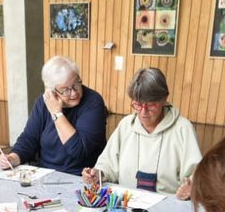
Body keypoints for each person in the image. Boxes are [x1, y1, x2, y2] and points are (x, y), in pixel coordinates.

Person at [81, 67, 201, 198]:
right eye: (138, 105)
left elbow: (196, 175)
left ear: (164, 100)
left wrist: (191, 187)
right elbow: (108, 163)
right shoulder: (126, 125)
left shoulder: (183, 129)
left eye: (150, 105)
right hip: (126, 201)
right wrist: (98, 173)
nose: (143, 112)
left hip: (168, 202)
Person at [0, 56, 107, 175]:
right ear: (52, 91)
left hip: (79, 176)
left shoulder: (93, 102)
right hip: (44, 173)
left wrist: (56, 113)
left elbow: (78, 150)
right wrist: (14, 157)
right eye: (65, 90)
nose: (74, 93)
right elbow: (29, 138)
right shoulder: (43, 102)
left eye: (76, 83)